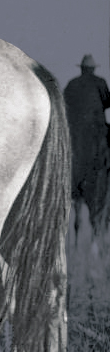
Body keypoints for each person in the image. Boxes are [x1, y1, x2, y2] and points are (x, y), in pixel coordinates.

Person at [63, 54, 110, 232]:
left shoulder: (72, 84)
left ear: (81, 69)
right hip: (96, 133)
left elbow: (64, 104)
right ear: (93, 69)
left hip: (74, 135)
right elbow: (107, 102)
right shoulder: (100, 82)